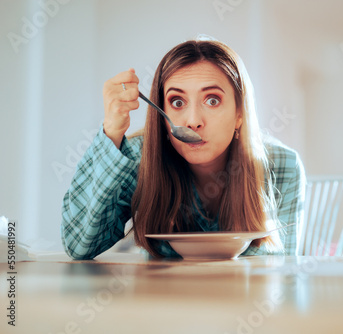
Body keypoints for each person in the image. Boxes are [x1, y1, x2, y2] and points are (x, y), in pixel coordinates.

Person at [61, 37, 306, 260]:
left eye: (212, 100)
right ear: (162, 113)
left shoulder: (282, 165)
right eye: (177, 102)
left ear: (239, 113)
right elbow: (80, 246)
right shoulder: (139, 158)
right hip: (160, 299)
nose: (192, 120)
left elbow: (278, 271)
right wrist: (111, 131)